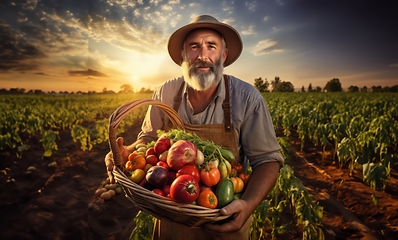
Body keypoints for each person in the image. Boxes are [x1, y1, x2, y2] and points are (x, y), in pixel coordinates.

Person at [105, 15, 284, 240]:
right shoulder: (165, 93)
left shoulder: (247, 98)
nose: (202, 55)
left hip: (225, 223)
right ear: (183, 56)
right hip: (172, 217)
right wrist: (128, 152)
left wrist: (247, 204)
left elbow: (267, 160)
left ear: (223, 55)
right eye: (194, 46)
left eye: (211, 46)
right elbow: (148, 140)